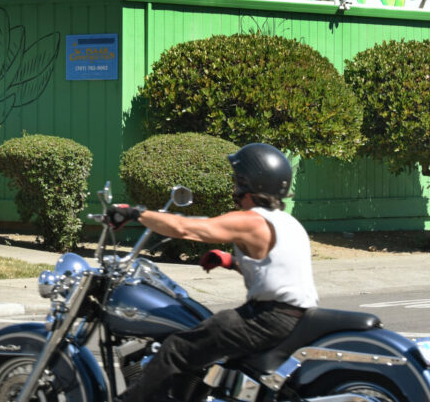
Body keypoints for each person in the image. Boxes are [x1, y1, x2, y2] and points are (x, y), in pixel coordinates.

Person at [109, 143, 318, 402]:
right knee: (205, 346)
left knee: (175, 349)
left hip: (268, 318)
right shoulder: (288, 222)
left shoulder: (253, 220)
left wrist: (135, 213)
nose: (234, 186)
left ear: (248, 182)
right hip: (289, 316)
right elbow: (277, 271)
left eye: (236, 179)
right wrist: (229, 261)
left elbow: (188, 229)